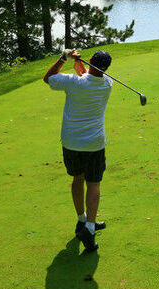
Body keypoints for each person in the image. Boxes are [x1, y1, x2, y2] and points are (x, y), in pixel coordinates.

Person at [43, 49, 114, 252]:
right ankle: (89, 227)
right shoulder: (108, 83)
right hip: (94, 144)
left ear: (90, 61)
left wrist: (63, 58)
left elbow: (48, 78)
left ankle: (82, 221)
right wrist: (79, 63)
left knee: (78, 180)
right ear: (106, 67)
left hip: (71, 143)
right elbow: (86, 74)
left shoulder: (73, 82)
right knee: (94, 183)